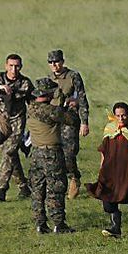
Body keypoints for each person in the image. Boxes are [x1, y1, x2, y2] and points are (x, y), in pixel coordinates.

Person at [87, 102, 128, 238]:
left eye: (124, 115)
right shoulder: (110, 129)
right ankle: (115, 228)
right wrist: (102, 168)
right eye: (118, 116)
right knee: (108, 197)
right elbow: (103, 150)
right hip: (112, 171)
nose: (121, 118)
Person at [0, 53, 34, 202]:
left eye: (16, 66)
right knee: (12, 154)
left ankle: (1, 189)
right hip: (0, 122)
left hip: (17, 122)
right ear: (6, 66)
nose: (13, 69)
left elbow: (34, 102)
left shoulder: (25, 83)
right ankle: (23, 186)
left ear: (21, 67)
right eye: (11, 66)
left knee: (9, 152)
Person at [27, 78, 75, 234]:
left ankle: (40, 223)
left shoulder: (31, 108)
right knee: (56, 187)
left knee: (37, 188)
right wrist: (70, 107)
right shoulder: (51, 111)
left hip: (36, 152)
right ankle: (58, 223)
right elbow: (71, 120)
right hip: (51, 153)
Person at [47, 49, 90, 199]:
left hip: (69, 119)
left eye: (57, 62)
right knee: (53, 153)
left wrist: (84, 122)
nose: (55, 65)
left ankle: (74, 177)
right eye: (51, 63)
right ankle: (60, 183)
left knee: (69, 153)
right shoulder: (48, 79)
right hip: (53, 120)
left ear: (62, 62)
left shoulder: (73, 76)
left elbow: (82, 99)